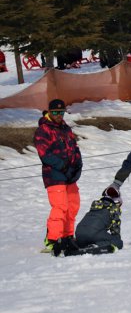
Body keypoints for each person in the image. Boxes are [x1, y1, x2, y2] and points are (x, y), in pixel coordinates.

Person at [34, 99, 83, 256]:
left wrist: (78, 165)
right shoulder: (43, 130)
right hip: (54, 175)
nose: (58, 115)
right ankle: (53, 239)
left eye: (61, 112)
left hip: (69, 175)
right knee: (60, 207)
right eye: (55, 112)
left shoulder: (65, 128)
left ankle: (67, 236)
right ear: (49, 112)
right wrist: (63, 166)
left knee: (73, 206)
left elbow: (74, 148)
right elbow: (44, 154)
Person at [71, 187, 123, 256]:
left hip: (79, 232)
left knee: (90, 236)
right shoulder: (113, 209)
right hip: (93, 233)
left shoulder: (95, 205)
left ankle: (74, 244)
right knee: (118, 242)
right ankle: (96, 245)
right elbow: (115, 232)